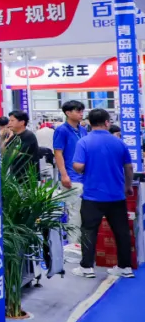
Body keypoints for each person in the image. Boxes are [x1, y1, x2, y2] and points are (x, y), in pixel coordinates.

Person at [71, 108, 135, 279]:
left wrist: (85, 167)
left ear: (89, 122)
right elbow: (129, 168)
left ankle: (87, 267)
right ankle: (125, 267)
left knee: (89, 231)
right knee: (121, 231)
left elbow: (78, 166)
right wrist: (128, 186)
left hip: (92, 195)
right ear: (107, 122)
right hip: (116, 195)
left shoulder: (84, 142)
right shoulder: (119, 143)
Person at [53, 100, 88, 247]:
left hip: (85, 177)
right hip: (71, 178)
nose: (81, 113)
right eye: (78, 111)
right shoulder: (62, 130)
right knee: (74, 213)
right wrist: (64, 175)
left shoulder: (83, 130)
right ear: (68, 113)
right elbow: (58, 153)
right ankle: (74, 246)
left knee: (84, 213)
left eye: (82, 111)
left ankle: (84, 244)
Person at [6, 110, 40, 176]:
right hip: (15, 174)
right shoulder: (14, 136)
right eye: (9, 120)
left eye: (12, 121)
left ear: (22, 122)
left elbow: (15, 154)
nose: (9, 123)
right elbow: (4, 152)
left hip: (27, 176)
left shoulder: (28, 136)